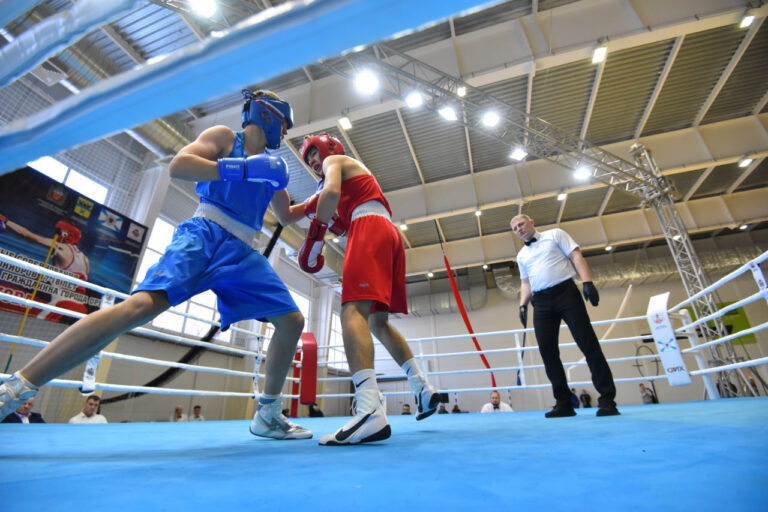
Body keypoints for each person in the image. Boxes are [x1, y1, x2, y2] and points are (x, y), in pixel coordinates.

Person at [0, 89, 311, 440]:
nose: (285, 133)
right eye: (284, 123)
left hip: (242, 252)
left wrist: (321, 200)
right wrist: (239, 169)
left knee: (292, 321)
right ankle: (15, 388)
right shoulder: (225, 138)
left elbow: (287, 215)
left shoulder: (273, 167)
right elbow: (180, 166)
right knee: (140, 307)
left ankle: (268, 414)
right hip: (206, 232)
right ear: (267, 115)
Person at [278, 133, 440, 445]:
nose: (313, 162)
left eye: (315, 154)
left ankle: (369, 409)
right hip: (387, 233)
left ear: (328, 148)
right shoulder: (330, 186)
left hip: (369, 227)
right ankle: (422, 386)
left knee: (351, 309)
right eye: (308, 159)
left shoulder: (335, 162)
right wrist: (271, 183)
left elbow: (331, 194)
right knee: (377, 322)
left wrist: (315, 238)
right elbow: (288, 215)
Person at [511, 214, 619, 418]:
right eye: (515, 228)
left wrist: (587, 282)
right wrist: (522, 305)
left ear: (532, 222)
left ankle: (607, 400)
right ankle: (563, 403)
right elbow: (526, 282)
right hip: (540, 302)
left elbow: (576, 255)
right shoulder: (521, 256)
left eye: (521, 224)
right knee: (547, 352)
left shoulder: (555, 234)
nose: (519, 229)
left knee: (588, 343)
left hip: (566, 294)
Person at [0, 215, 90, 323]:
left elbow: (29, 236)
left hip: (62, 304)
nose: (56, 234)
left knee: (32, 328)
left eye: (58, 231)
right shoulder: (85, 260)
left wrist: (7, 222)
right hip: (80, 308)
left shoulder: (61, 247)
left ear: (66, 234)